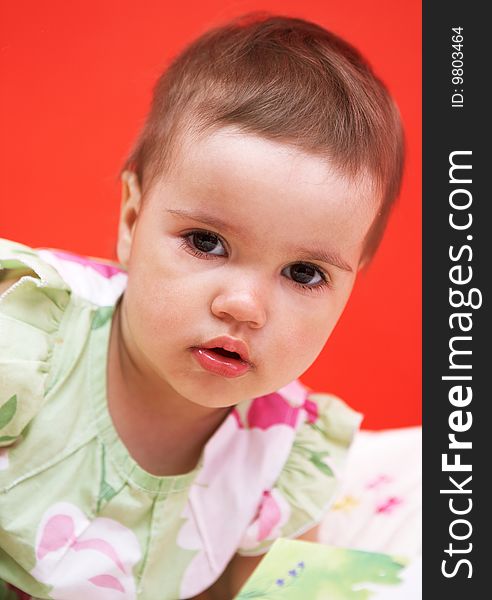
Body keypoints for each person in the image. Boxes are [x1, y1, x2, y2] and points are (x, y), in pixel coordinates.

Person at [0, 13, 404, 600]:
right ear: (132, 218)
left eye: (303, 272)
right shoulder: (33, 340)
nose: (244, 306)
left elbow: (276, 593)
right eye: (206, 242)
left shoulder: (283, 458)